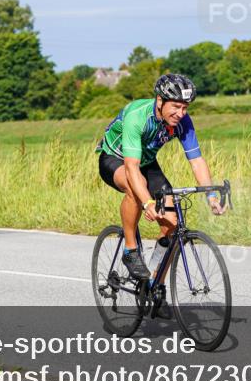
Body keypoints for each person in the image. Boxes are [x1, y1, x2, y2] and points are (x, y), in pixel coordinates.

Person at [96, 73, 226, 290]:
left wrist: (210, 196)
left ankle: (155, 284)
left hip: (146, 162)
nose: (180, 113)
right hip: (115, 158)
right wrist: (147, 202)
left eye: (185, 107)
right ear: (159, 101)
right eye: (175, 106)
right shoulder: (137, 116)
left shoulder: (182, 122)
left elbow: (196, 161)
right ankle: (130, 251)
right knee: (134, 189)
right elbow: (131, 168)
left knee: (172, 225)